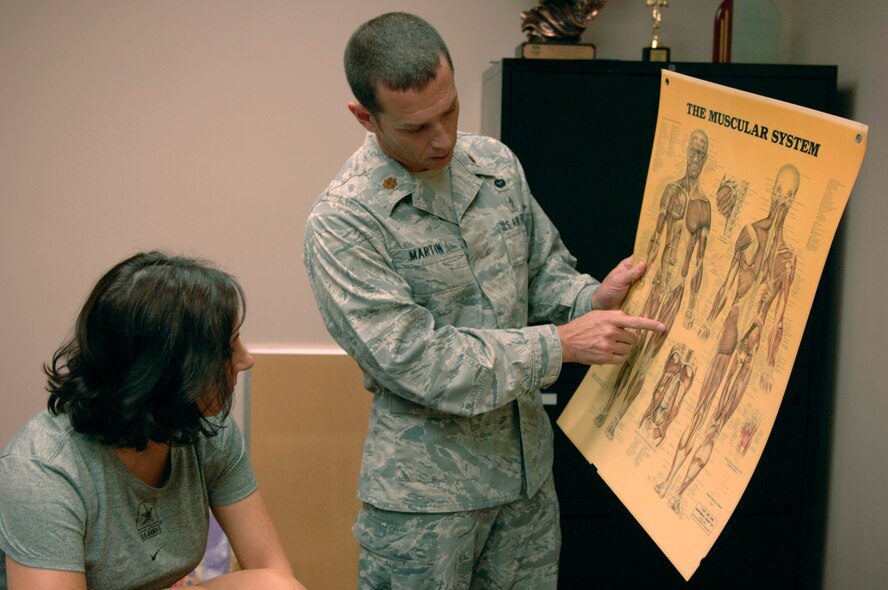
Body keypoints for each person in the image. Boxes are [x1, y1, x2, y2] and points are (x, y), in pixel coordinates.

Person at [302, 12, 664, 588]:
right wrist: (558, 346)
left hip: (526, 485)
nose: (442, 137)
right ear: (364, 117)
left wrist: (591, 298)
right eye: (417, 127)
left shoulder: (494, 165)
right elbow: (417, 360)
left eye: (449, 110)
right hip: (426, 507)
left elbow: (543, 272)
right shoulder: (345, 222)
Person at [0, 252, 307, 590]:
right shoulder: (43, 470)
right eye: (226, 349)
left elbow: (273, 571)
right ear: (168, 370)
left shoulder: (208, 430)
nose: (246, 359)